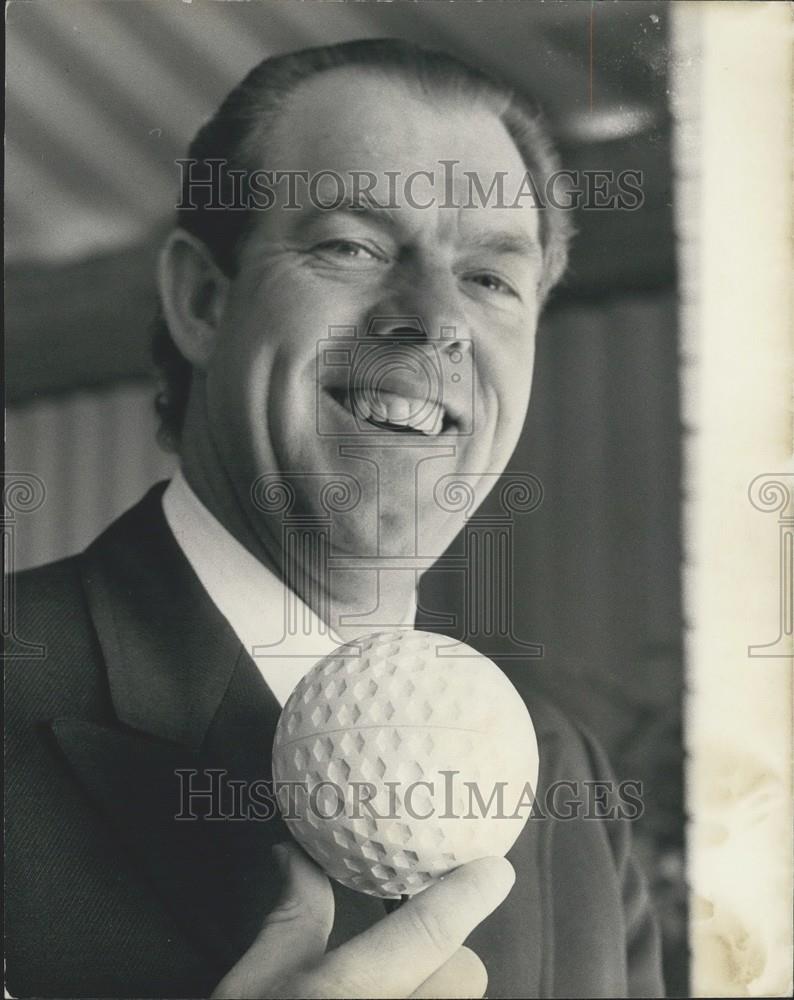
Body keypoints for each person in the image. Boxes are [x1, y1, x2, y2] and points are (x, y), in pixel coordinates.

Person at [5, 39, 664, 998]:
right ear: (201, 301)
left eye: (490, 279)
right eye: (351, 246)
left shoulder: (568, 777)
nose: (434, 320)